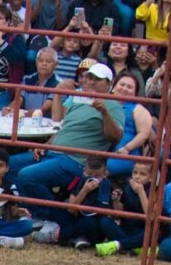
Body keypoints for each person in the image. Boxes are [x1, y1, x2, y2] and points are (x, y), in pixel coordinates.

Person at [10, 62, 123, 218]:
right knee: (8, 165)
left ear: (109, 84)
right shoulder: (78, 96)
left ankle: (55, 217)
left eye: (97, 79)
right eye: (90, 77)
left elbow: (115, 138)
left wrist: (104, 113)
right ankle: (28, 210)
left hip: (76, 160)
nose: (91, 82)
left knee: (27, 175)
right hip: (54, 152)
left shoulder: (113, 105)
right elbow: (61, 122)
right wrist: (46, 145)